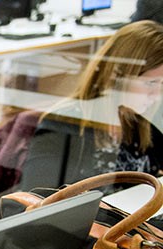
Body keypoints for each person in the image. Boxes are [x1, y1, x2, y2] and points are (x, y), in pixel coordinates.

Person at [19, 20, 163, 191]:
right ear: (116, 75)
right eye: (151, 83)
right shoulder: (65, 123)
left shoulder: (143, 120)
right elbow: (37, 203)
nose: (157, 94)